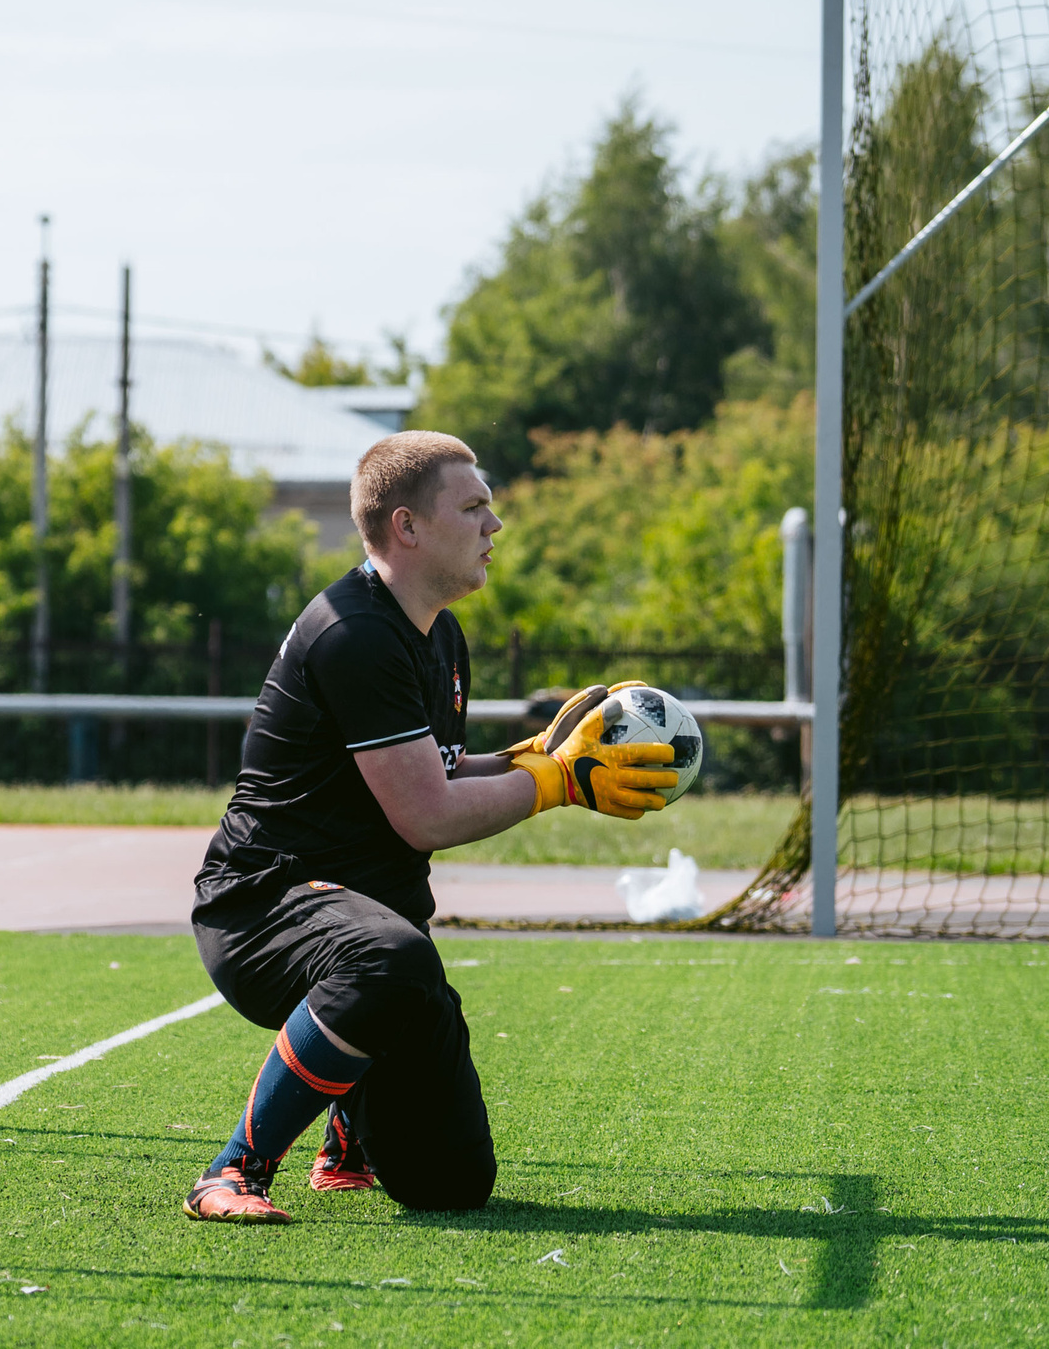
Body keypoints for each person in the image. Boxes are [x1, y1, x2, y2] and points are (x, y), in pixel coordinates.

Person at [183, 430, 679, 1223]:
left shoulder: (438, 632)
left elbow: (432, 773)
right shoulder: (354, 631)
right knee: (389, 957)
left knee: (454, 1186)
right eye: (475, 506)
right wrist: (556, 780)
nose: (496, 525)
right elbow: (426, 817)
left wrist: (532, 756)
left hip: (366, 925)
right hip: (263, 907)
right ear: (407, 526)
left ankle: (349, 1136)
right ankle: (232, 1170)